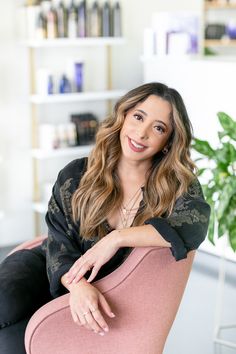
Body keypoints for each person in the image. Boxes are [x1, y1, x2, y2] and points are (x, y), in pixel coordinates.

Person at [0, 82, 210, 353]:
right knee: (4, 300)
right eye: (138, 117)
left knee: (15, 339)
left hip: (109, 291)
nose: (142, 133)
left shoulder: (176, 186)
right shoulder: (76, 174)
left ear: (168, 141)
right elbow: (57, 243)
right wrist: (77, 286)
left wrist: (117, 238)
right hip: (53, 271)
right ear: (123, 116)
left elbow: (195, 225)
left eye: (158, 128)